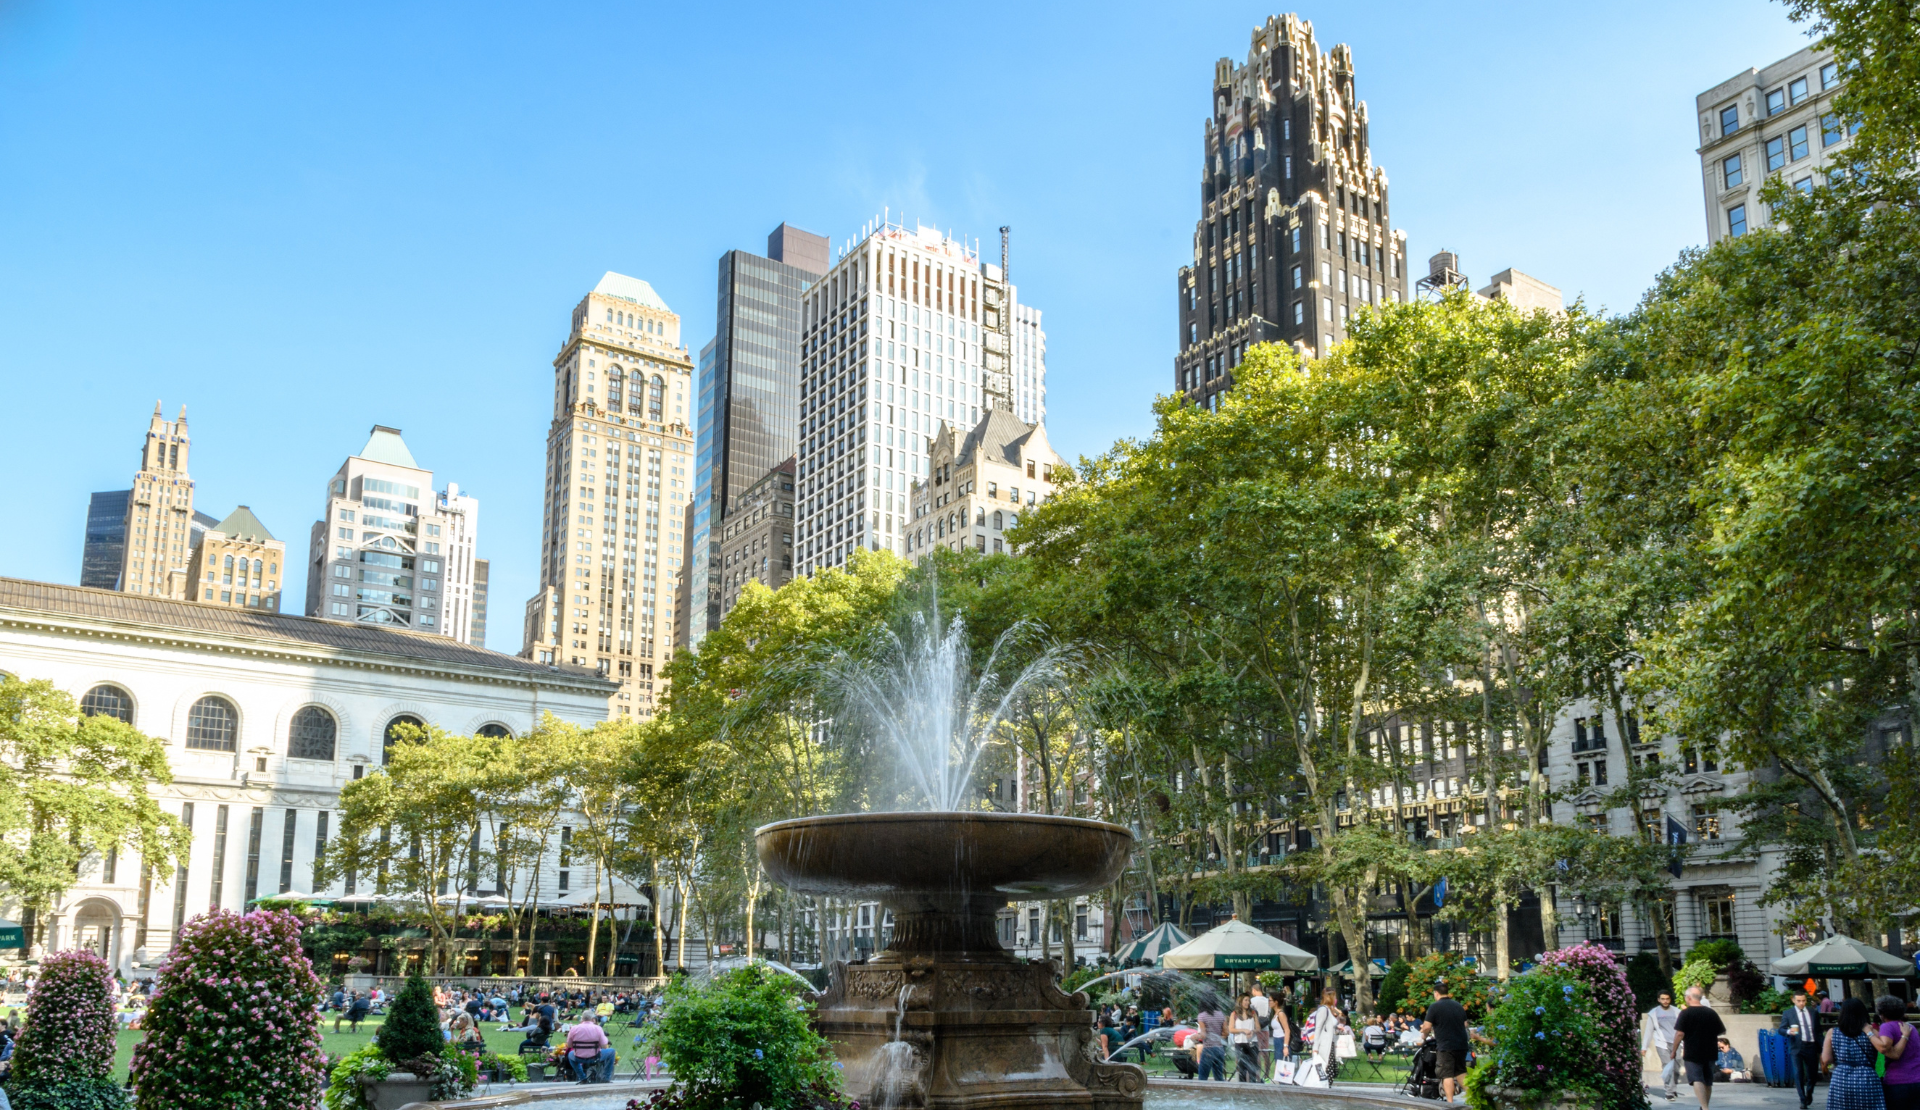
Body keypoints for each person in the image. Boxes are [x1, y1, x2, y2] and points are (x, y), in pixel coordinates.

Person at [1822, 997, 1886, 1110]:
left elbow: (1826, 1059)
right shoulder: (1871, 1032)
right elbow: (1883, 1047)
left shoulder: (1832, 1032)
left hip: (1841, 1078)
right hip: (1867, 1077)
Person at [1671, 985, 1728, 1110]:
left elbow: (1679, 1033)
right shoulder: (1711, 1013)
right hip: (1710, 1051)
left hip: (1693, 1052)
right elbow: (1721, 1031)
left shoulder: (1685, 1013)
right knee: (1707, 1081)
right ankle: (1705, 1106)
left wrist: (1673, 1050)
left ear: (1689, 998)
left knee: (1696, 1079)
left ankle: (1704, 1107)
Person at [1421, 981, 1473, 1103]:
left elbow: (1427, 1027)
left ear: (1436, 993)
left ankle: (1450, 1103)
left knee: (1446, 1074)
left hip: (1445, 1046)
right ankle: (1474, 1098)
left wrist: (1423, 1037)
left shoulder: (1434, 1007)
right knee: (1461, 1072)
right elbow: (1465, 1024)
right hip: (1461, 1044)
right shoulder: (1458, 1005)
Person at [1872, 996, 1920, 1110]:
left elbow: (1886, 1048)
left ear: (1882, 1014)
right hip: (1917, 1078)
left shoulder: (1886, 1027)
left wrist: (1869, 1034)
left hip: (1897, 1081)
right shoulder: (1910, 1027)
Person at [1294, 989, 1348, 1088]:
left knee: (1329, 1072)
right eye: (1334, 996)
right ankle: (1322, 1091)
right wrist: (1315, 1047)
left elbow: (1327, 1026)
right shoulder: (1323, 1010)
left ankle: (1325, 1090)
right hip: (1324, 1045)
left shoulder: (1328, 1010)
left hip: (1329, 1044)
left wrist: (1337, 1027)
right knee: (1324, 1072)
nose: (1335, 999)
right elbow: (1318, 1028)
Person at [1784, 990, 1825, 1108]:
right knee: (1798, 1073)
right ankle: (1802, 1099)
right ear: (1793, 1000)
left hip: (1811, 1045)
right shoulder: (1788, 1013)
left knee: (1812, 1074)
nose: (1801, 1003)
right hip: (1797, 1046)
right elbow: (1781, 1029)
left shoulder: (1813, 1012)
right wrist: (1789, 1031)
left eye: (1803, 1001)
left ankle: (1809, 1093)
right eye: (1799, 1001)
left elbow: (1818, 1031)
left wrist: (1823, 1046)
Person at [1645, 990, 1683, 1101]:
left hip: (1676, 1043)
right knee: (1667, 1066)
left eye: (1667, 999)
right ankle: (1669, 1092)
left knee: (1676, 1067)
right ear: (1658, 1000)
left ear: (1670, 999)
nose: (1665, 1001)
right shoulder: (1653, 1013)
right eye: (1663, 999)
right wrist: (1644, 1047)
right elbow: (1648, 1031)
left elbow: (1683, 1029)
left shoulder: (1677, 1012)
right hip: (1661, 1043)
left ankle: (1673, 1088)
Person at [565, 1013, 613, 1083]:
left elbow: (569, 1045)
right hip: (595, 1057)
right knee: (611, 1052)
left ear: (582, 1019)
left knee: (570, 1054)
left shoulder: (574, 1029)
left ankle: (582, 1078)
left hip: (578, 1057)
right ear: (593, 1019)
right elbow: (604, 1046)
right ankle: (606, 1078)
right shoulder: (597, 1028)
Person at [1195, 1003, 1229, 1082]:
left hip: (1208, 1049)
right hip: (1219, 1049)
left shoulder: (1202, 1016)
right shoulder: (1220, 1014)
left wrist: (1195, 1036)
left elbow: (1203, 1035)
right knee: (1219, 1078)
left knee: (1202, 1078)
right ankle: (1222, 1089)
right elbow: (1226, 1033)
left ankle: (1202, 1091)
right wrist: (1216, 1035)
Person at [1230, 997, 1262, 1082]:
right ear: (1240, 1002)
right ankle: (1242, 1087)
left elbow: (1258, 1028)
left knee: (1252, 1069)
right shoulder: (1234, 1014)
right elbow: (1231, 1029)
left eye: (1248, 1001)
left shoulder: (1253, 1013)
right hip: (1240, 1043)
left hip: (1252, 1043)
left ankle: (1252, 1086)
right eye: (1245, 1000)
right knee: (1242, 1069)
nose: (1247, 1002)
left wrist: (1252, 1031)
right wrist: (1243, 1030)